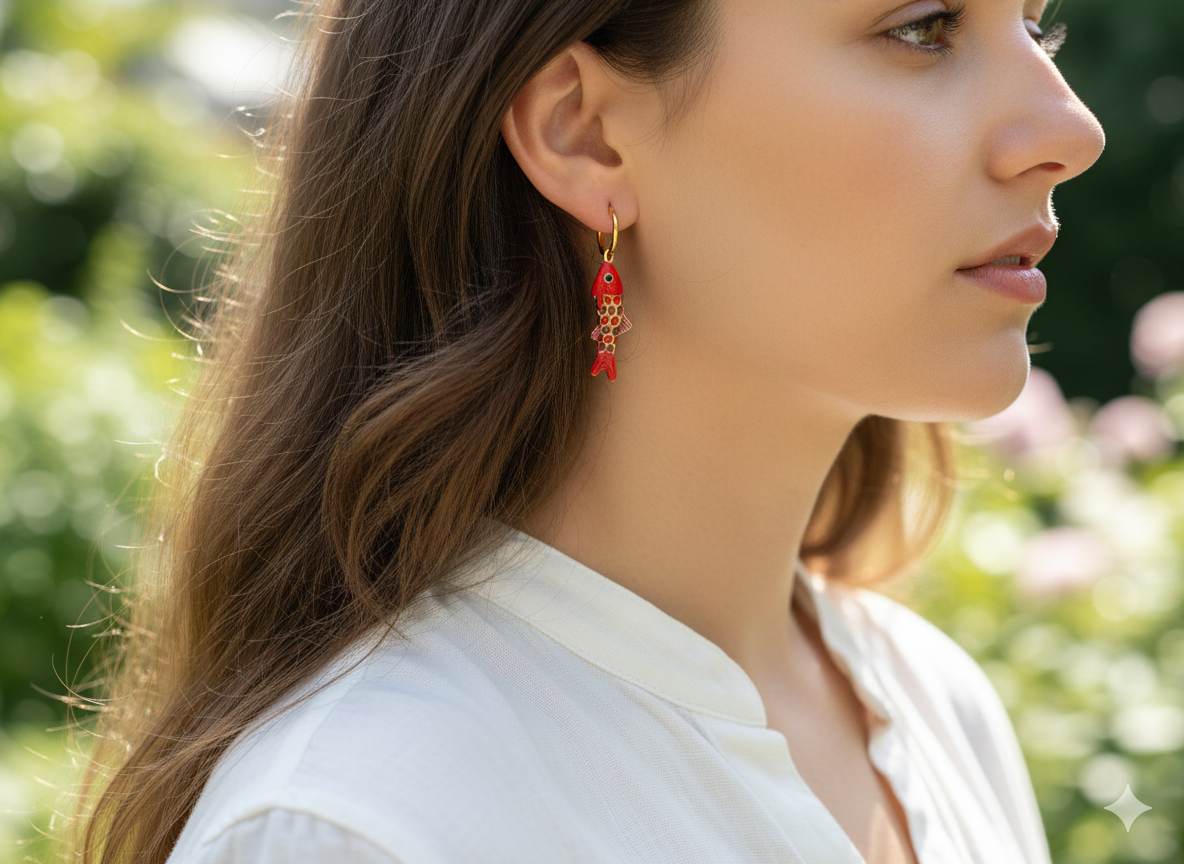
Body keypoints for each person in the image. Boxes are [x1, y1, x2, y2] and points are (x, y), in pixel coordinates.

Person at [66, 0, 1105, 861]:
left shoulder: (933, 707)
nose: (1068, 129)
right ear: (585, 131)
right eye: (922, 28)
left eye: (1033, 23)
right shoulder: (365, 824)